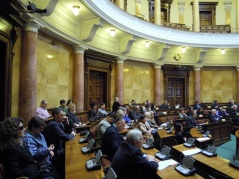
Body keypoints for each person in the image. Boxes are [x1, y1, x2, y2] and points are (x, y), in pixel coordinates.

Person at [43, 108, 76, 177]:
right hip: (54, 151)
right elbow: (65, 137)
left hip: (59, 147)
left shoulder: (60, 122)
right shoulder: (53, 125)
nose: (64, 117)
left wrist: (67, 123)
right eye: (61, 115)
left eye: (64, 115)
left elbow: (67, 133)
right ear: (55, 115)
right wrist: (72, 134)